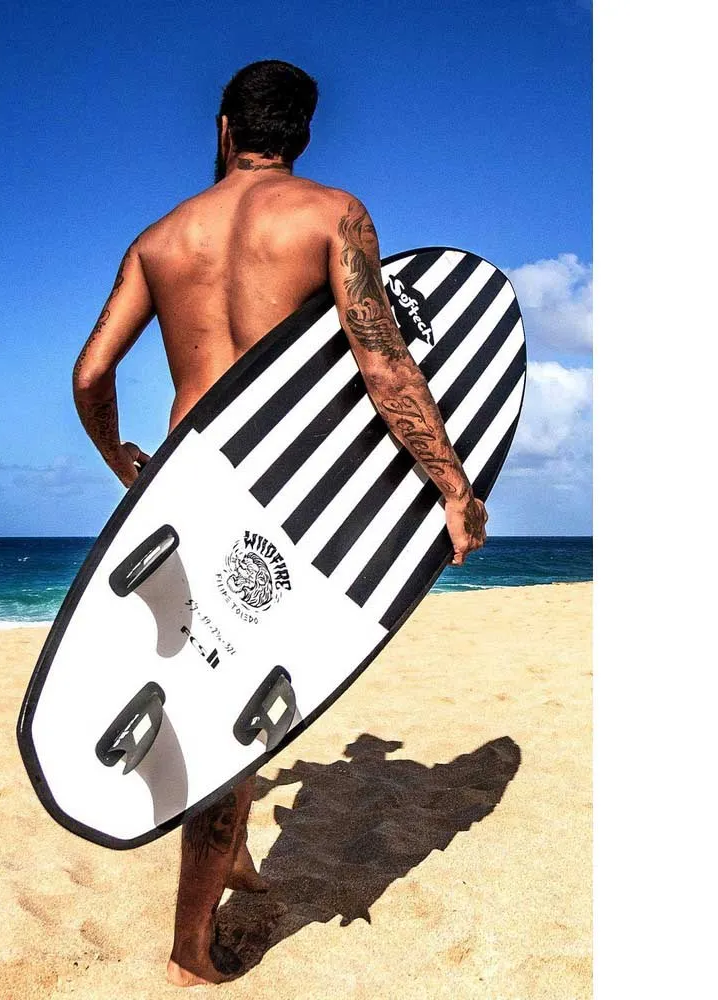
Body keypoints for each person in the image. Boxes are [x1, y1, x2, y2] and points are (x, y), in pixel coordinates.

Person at [70, 60, 488, 986]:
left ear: (224, 128)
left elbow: (92, 373)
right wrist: (452, 484)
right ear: (302, 133)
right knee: (236, 698)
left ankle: (234, 854)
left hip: (180, 489)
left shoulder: (159, 239)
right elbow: (382, 361)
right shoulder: (332, 215)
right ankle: (191, 949)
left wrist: (121, 461)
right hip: (275, 495)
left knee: (207, 677)